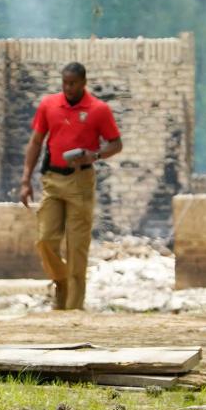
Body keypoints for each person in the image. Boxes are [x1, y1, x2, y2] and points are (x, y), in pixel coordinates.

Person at [19, 62, 123, 310]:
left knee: (77, 246)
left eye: (73, 83)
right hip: (52, 180)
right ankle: (61, 281)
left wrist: (95, 155)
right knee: (45, 239)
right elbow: (35, 142)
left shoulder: (99, 109)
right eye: (64, 83)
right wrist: (25, 180)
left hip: (81, 180)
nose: (68, 88)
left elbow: (116, 144)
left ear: (83, 82)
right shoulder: (49, 105)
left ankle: (73, 307)